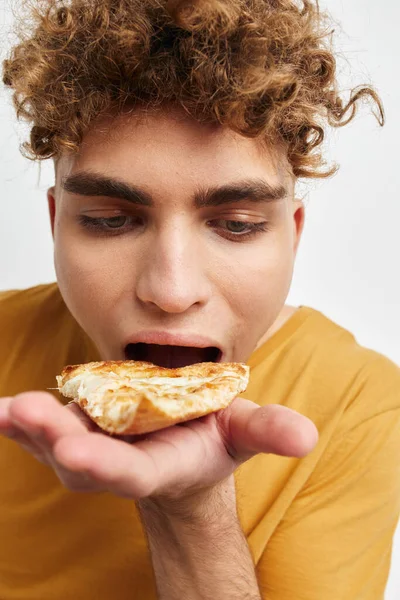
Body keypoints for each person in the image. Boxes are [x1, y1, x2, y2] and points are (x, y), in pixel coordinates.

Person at [0, 0, 399, 598]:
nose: (171, 290)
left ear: (293, 235)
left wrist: (192, 511)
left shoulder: (360, 405)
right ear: (57, 221)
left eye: (237, 224)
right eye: (110, 220)